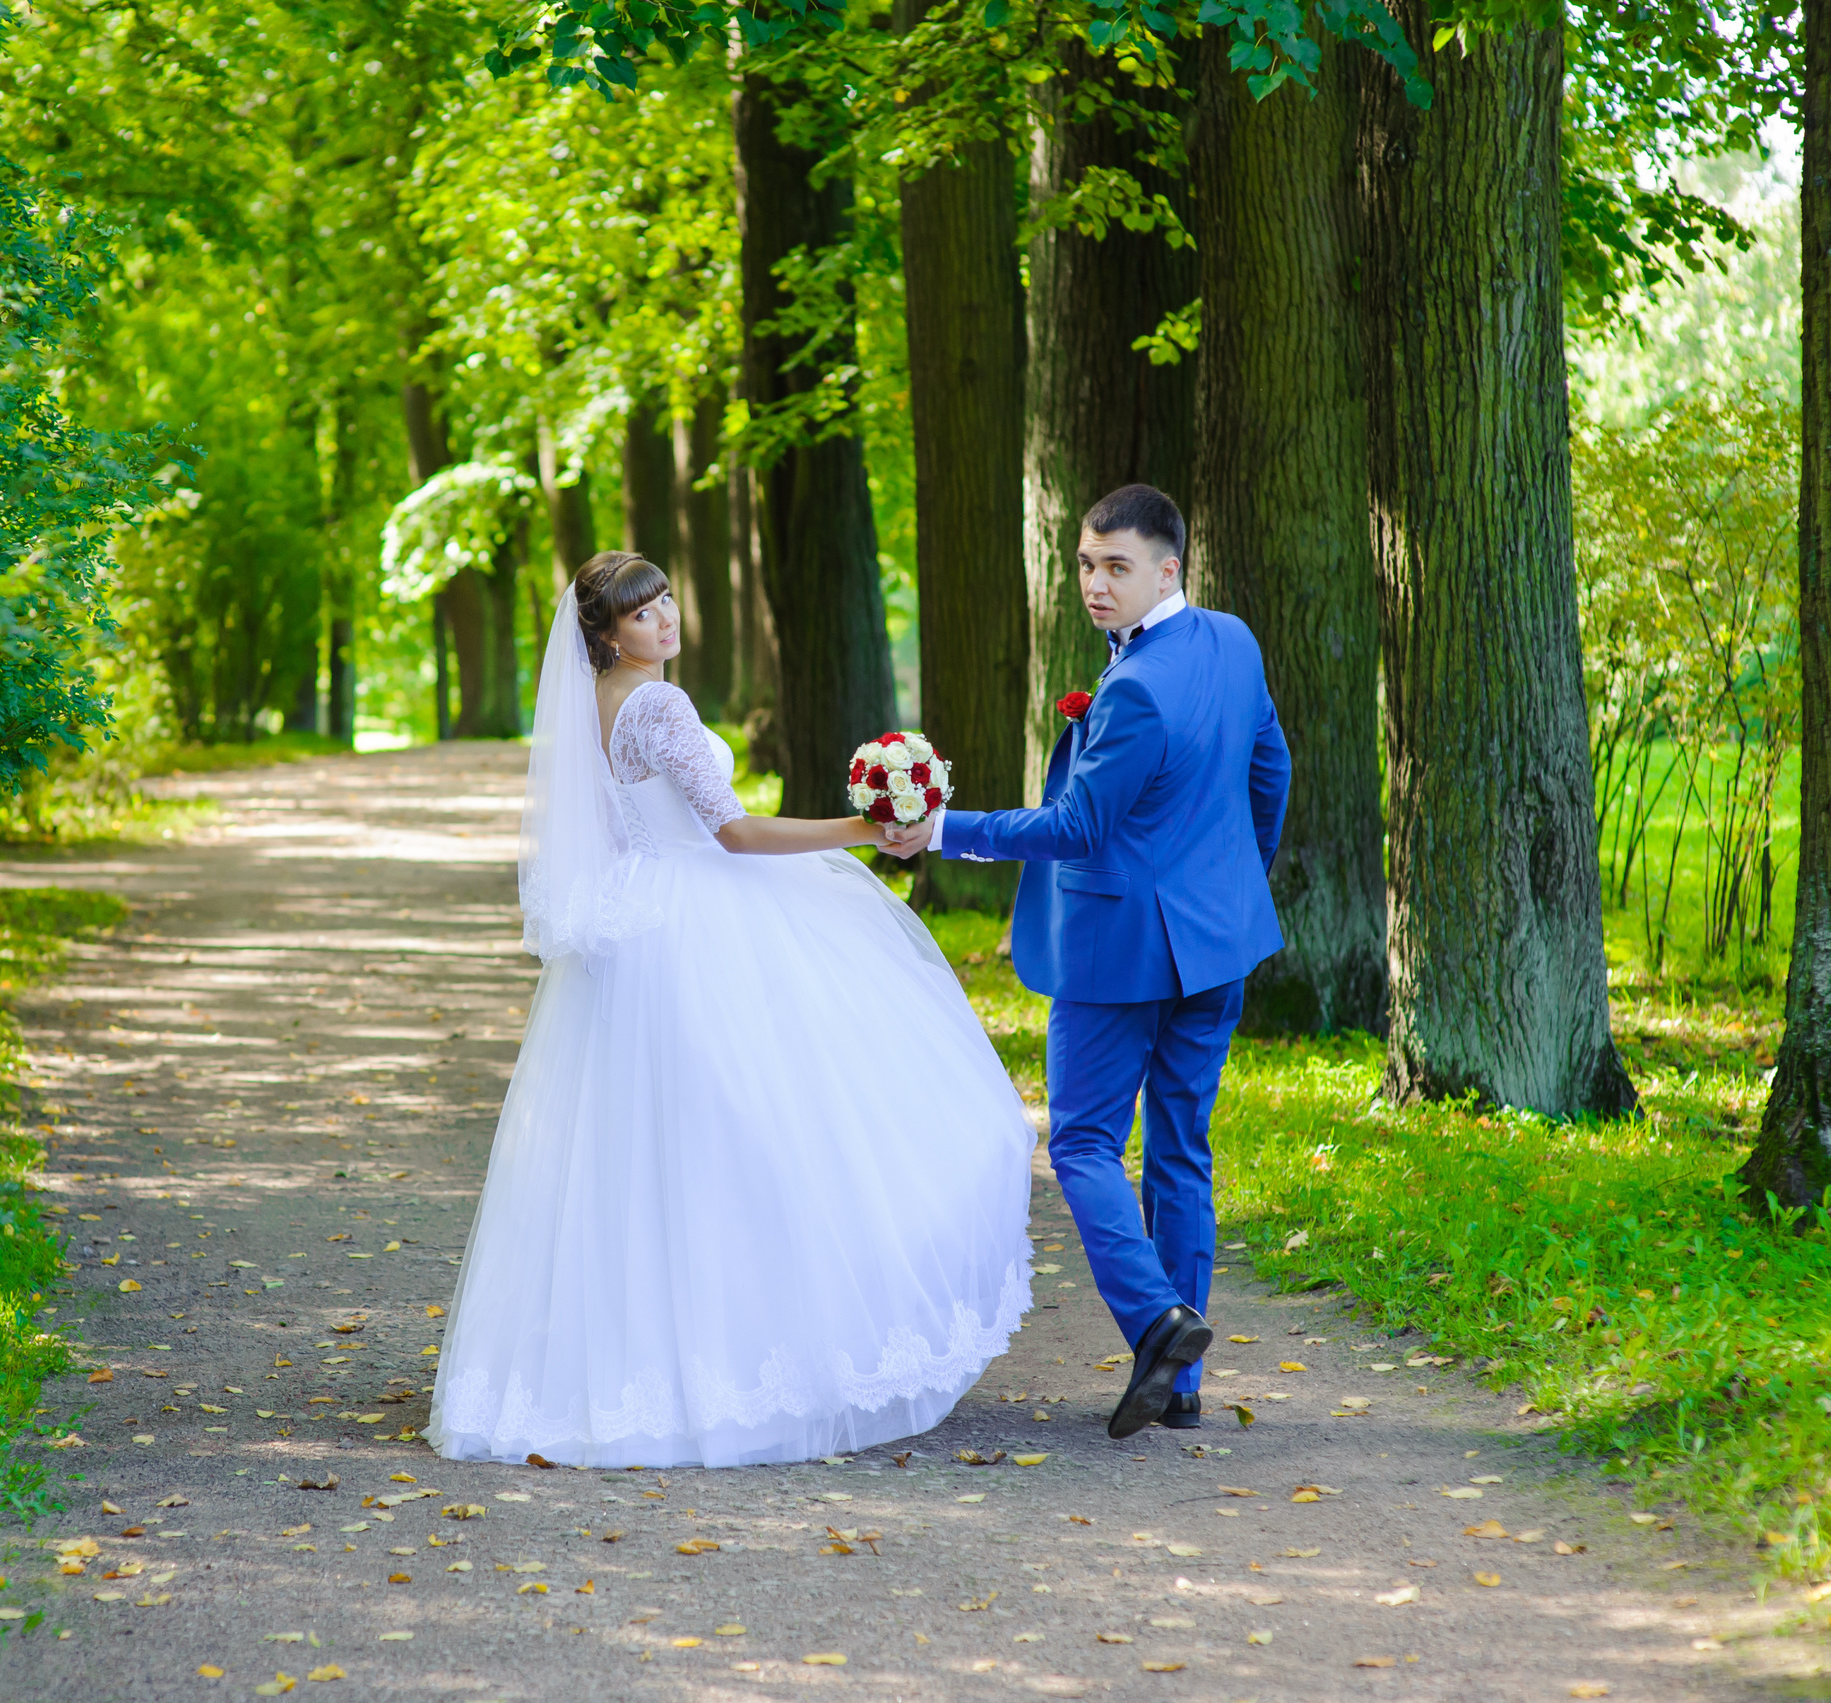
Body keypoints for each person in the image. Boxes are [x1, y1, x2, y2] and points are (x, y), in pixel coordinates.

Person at [425, 552, 1037, 1469]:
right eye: (641, 611)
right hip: (697, 923)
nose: (665, 617)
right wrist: (867, 831)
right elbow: (735, 832)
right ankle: (755, 1359)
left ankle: (633, 1369)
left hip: (636, 926)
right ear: (606, 634)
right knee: (763, 1136)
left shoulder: (592, 707)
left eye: (667, 598)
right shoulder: (658, 705)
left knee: (644, 1158)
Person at [881, 485, 1290, 1439]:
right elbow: (1270, 770)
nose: (1096, 584)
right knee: (1182, 1148)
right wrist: (1234, 882)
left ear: (1168, 569)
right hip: (1220, 942)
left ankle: (1159, 1322)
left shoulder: (1137, 686)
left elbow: (1076, 827)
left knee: (1081, 1142)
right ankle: (1182, 1388)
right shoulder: (1233, 642)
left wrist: (940, 830)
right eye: (1085, 564)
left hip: (1119, 952)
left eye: (1117, 567)